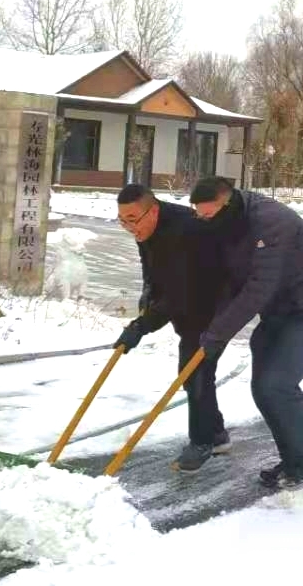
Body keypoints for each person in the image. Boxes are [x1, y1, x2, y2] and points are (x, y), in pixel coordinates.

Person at [189, 176, 303, 490]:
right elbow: (229, 282)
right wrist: (211, 328)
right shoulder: (226, 226)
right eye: (198, 216)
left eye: (208, 215)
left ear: (227, 203)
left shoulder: (271, 222)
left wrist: (218, 335)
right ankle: (292, 459)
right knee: (263, 388)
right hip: (277, 313)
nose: (204, 222)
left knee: (277, 384)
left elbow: (258, 287)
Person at [113, 183, 230, 472]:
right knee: (195, 370)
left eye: (132, 220)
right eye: (122, 220)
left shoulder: (187, 232)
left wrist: (142, 325)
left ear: (152, 210)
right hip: (187, 301)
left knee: (194, 369)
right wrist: (148, 296)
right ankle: (215, 433)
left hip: (214, 303)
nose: (128, 227)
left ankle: (202, 442)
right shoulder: (146, 226)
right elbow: (152, 266)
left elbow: (181, 293)